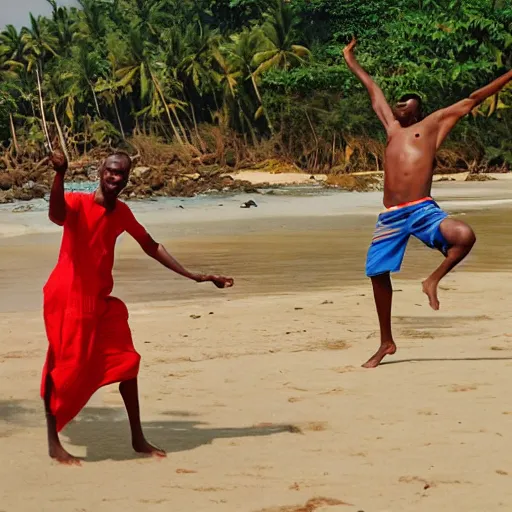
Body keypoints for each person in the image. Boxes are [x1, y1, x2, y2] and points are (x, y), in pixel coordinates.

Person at [42, 149, 234, 464]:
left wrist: (195, 276)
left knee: (128, 362)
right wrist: (59, 174)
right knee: (62, 368)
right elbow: (56, 215)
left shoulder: (122, 213)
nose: (116, 178)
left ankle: (137, 438)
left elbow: (150, 245)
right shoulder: (77, 201)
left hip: (101, 300)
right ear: (100, 171)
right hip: (67, 298)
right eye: (111, 172)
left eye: (122, 174)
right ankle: (53, 442)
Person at [343, 38, 512, 368]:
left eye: (407, 103)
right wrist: (350, 59)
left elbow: (474, 98)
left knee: (464, 236)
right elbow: (371, 87)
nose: (400, 106)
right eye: (398, 103)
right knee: (377, 274)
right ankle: (386, 342)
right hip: (391, 216)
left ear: (418, 109)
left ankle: (433, 279)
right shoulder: (391, 130)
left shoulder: (433, 126)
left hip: (422, 209)